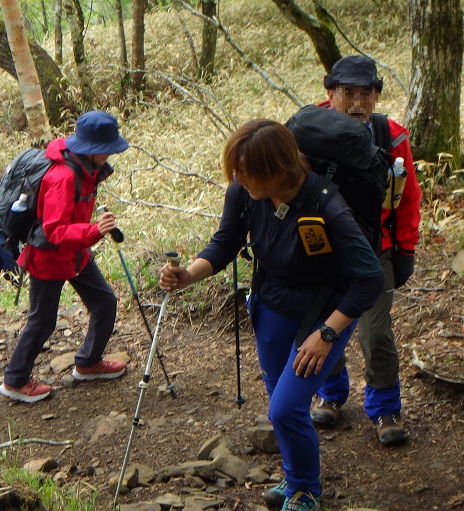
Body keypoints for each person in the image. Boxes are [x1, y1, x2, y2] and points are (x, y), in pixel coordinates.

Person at [159, 120, 383, 511]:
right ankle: (295, 479)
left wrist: (327, 334)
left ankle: (307, 491)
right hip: (272, 304)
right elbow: (225, 241)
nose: (239, 179)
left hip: (324, 314)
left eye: (247, 172)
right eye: (237, 171)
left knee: (285, 408)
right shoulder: (245, 193)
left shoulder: (327, 204)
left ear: (278, 169)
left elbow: (369, 280)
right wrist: (188, 275)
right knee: (281, 403)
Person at [311, 55, 421, 447]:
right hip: (324, 250)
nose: (357, 102)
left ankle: (385, 406)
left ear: (376, 95)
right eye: (348, 94)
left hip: (379, 250)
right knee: (326, 325)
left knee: (376, 332)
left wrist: (405, 249)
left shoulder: (392, 136)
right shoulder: (309, 131)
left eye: (366, 94)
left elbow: (408, 200)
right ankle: (331, 393)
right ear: (330, 94)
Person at [0, 111, 128, 404]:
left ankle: (88, 362)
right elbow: (54, 230)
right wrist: (94, 230)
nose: (111, 153)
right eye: (108, 147)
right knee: (42, 321)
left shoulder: (86, 168)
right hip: (49, 257)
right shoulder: (62, 176)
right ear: (93, 148)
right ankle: (15, 381)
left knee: (104, 302)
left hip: (75, 253)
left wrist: (91, 230)